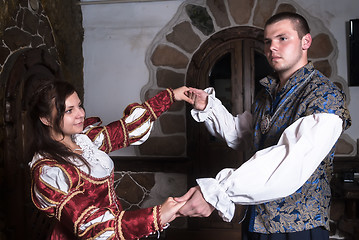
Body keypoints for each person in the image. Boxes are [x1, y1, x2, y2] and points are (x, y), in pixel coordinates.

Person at [175, 12, 351, 240]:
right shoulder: (267, 93)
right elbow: (241, 135)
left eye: (282, 38)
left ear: (305, 42)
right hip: (256, 220)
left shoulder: (324, 96)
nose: (272, 48)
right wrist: (209, 107)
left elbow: (290, 161)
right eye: (268, 41)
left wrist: (217, 192)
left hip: (297, 227)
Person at [27, 80, 193, 239]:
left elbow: (125, 130)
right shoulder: (49, 171)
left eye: (79, 106)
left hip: (116, 229)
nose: (81, 114)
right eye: (69, 110)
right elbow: (91, 226)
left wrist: (172, 95)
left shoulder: (85, 140)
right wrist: (156, 217)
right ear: (46, 119)